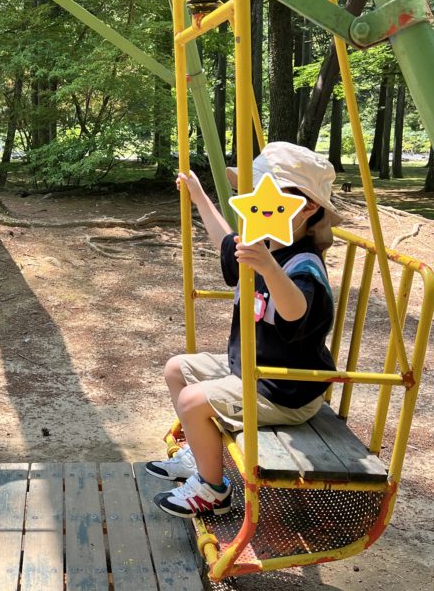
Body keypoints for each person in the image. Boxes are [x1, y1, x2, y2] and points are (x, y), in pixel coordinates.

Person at [146, 142, 341, 518]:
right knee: (177, 370)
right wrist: (199, 196)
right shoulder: (263, 246)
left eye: (270, 193)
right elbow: (225, 241)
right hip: (252, 370)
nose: (257, 202)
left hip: (286, 389)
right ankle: (200, 454)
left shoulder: (304, 265)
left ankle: (213, 491)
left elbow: (295, 312)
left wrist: (268, 268)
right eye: (253, 193)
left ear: (308, 208)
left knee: (193, 401)